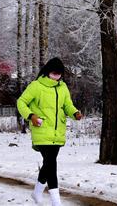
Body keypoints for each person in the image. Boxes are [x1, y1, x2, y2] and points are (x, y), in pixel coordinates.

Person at [16, 57, 83, 205]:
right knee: (51, 164)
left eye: (59, 74)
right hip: (41, 129)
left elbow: (67, 106)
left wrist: (75, 113)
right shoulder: (36, 86)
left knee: (48, 164)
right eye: (54, 73)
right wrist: (30, 116)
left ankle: (37, 193)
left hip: (57, 132)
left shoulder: (63, 87)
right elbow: (21, 102)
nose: (56, 76)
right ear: (47, 71)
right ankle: (56, 202)